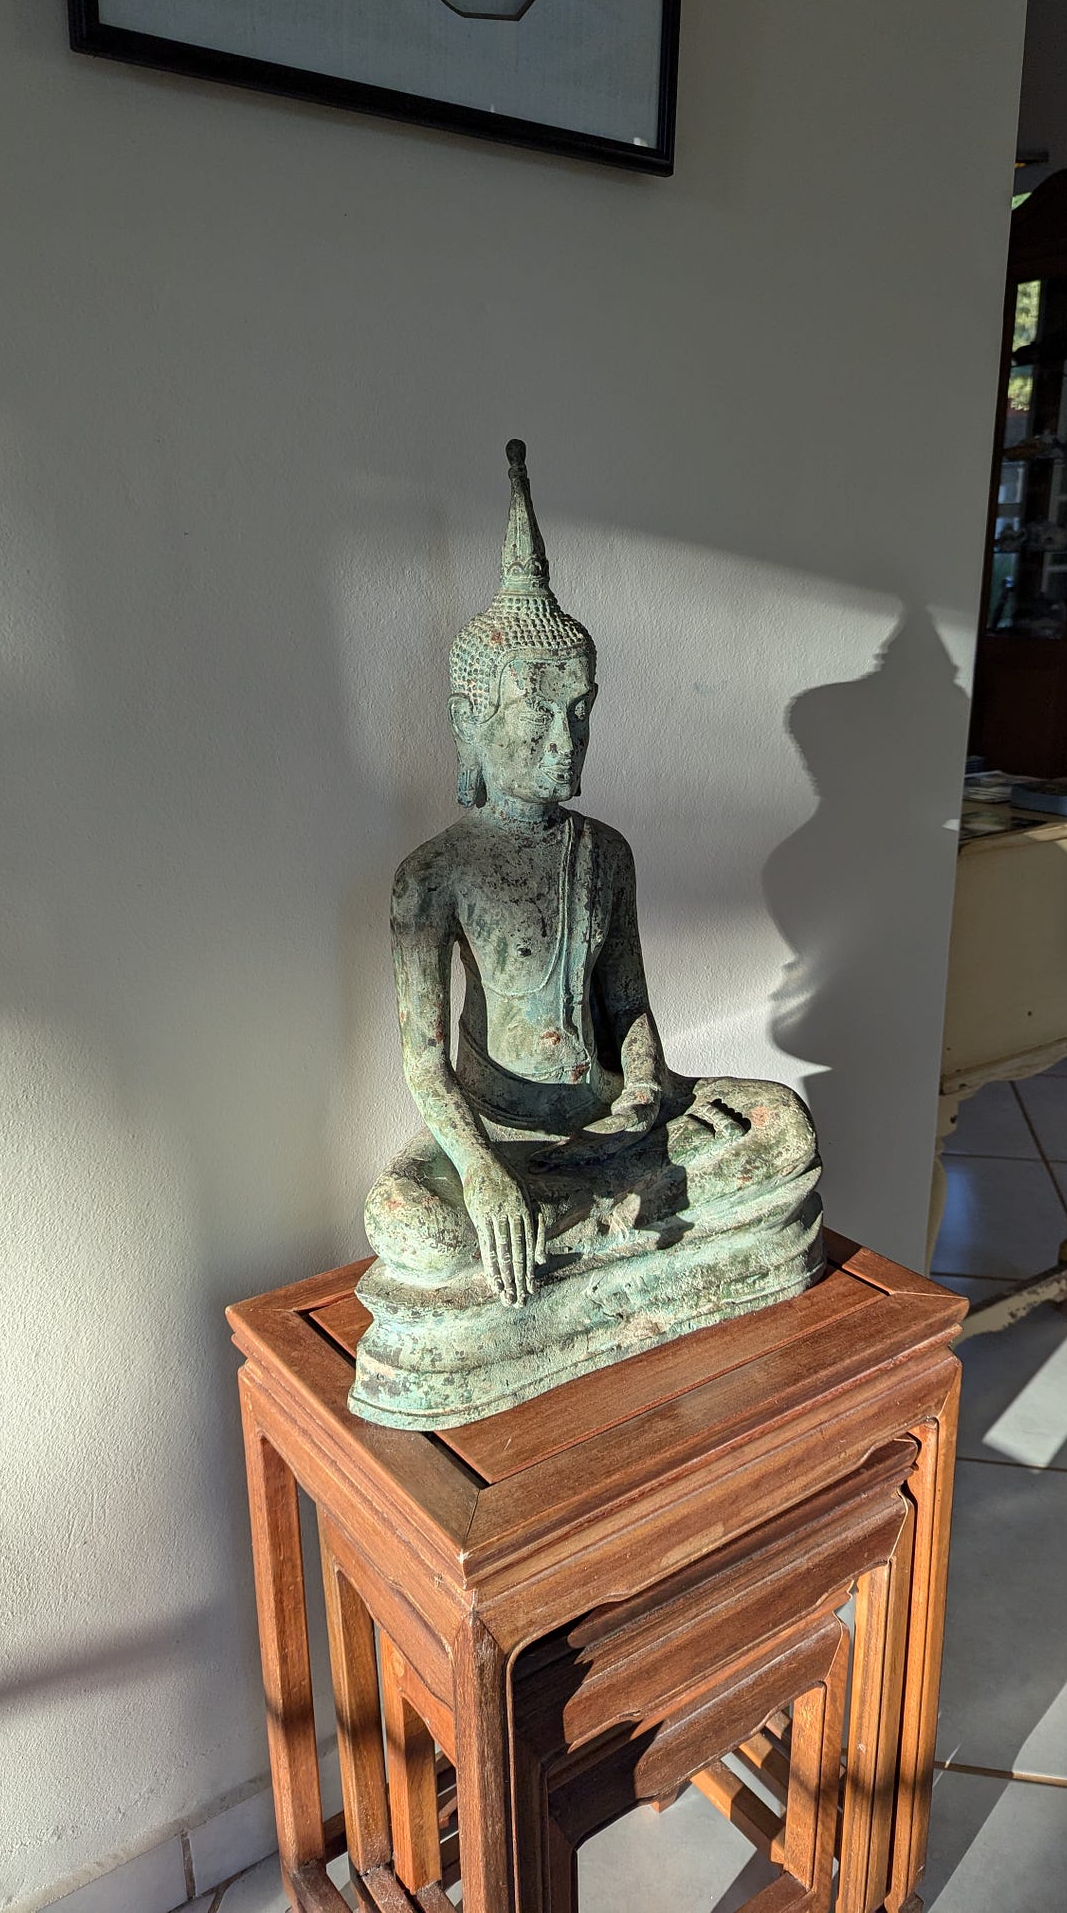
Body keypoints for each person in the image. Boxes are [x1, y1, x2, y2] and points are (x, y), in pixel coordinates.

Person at [353, 442, 823, 1426]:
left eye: (579, 715)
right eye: (537, 720)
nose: (564, 743)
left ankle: (589, 1239)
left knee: (780, 1124)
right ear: (471, 724)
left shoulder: (604, 852)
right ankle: (584, 1234)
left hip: (613, 1122)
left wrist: (648, 1089)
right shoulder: (432, 876)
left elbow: (626, 1005)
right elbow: (424, 1060)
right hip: (507, 1137)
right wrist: (481, 1172)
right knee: (413, 1226)